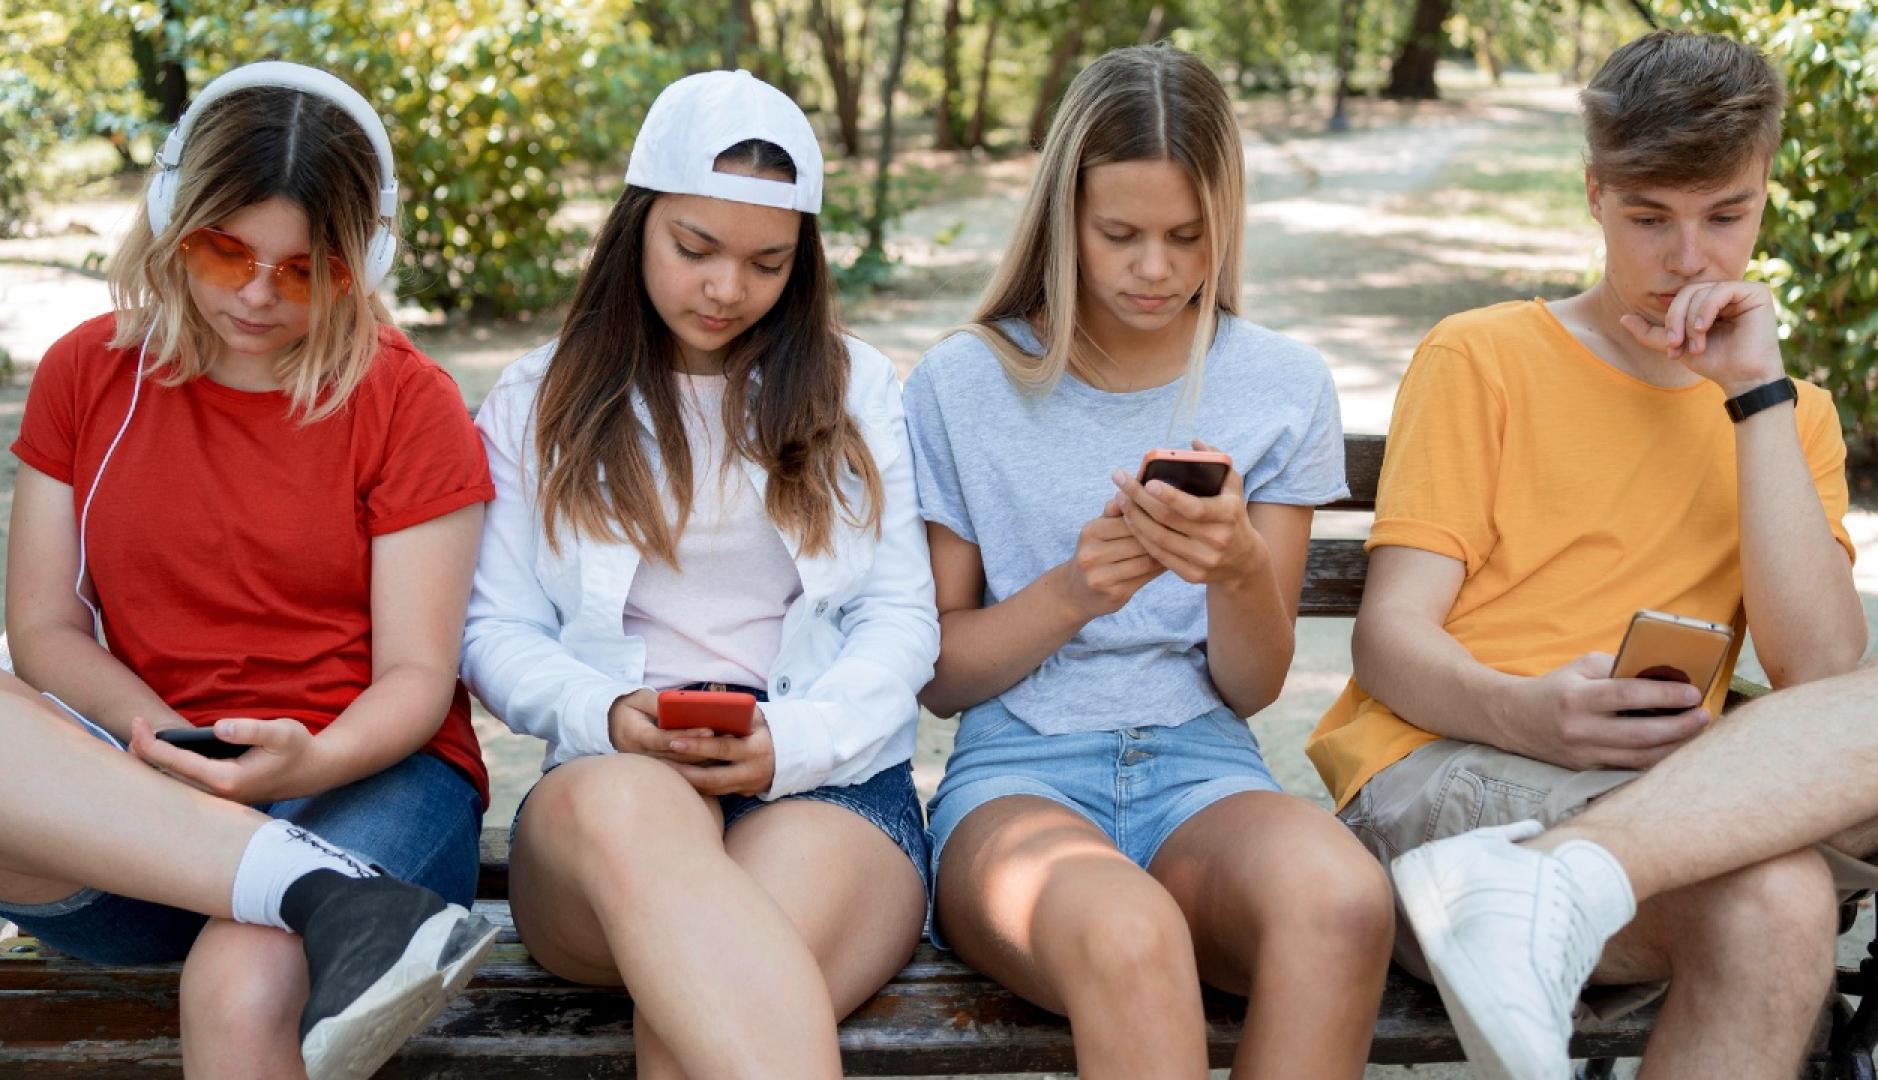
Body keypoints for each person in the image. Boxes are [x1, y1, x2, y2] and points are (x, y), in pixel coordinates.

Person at [1307, 30, 1870, 1080]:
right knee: (1783, 895)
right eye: (1649, 218)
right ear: (1594, 195)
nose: (1689, 259)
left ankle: (1558, 881)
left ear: (1764, 197)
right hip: (1446, 766)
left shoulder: (1793, 417)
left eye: (1726, 217)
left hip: (1658, 795)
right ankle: (1536, 881)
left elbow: (1823, 681)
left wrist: (1755, 399)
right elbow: (1388, 644)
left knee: (1787, 885)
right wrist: (1526, 711)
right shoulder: (1486, 356)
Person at [904, 45, 1395, 1079]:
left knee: (1346, 903)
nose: (1156, 269)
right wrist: (1078, 589)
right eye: (1119, 235)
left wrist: (1236, 572)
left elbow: (1252, 687)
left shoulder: (1281, 384)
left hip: (1203, 772)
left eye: (1187, 237)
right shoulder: (964, 383)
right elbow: (942, 675)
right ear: (1060, 220)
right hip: (1017, 778)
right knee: (1132, 935)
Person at [1, 62, 498, 1079]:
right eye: (226, 252)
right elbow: (44, 627)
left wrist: (305, 764)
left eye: (310, 269)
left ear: (366, 260)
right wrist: (158, 750)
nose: (261, 294)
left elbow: (416, 677)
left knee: (240, 980)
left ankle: (329, 893)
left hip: (366, 779)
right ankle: (312, 888)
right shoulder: (84, 374)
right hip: (147, 793)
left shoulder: (410, 402)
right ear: (170, 219)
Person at [460, 70, 938, 1079]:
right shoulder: (536, 400)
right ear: (637, 223)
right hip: (609, 795)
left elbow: (901, 616)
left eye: (768, 262)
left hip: (828, 785)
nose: (727, 289)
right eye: (696, 249)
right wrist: (608, 713)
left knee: (702, 1009)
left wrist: (793, 742)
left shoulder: (855, 389)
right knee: (639, 823)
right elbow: (494, 633)